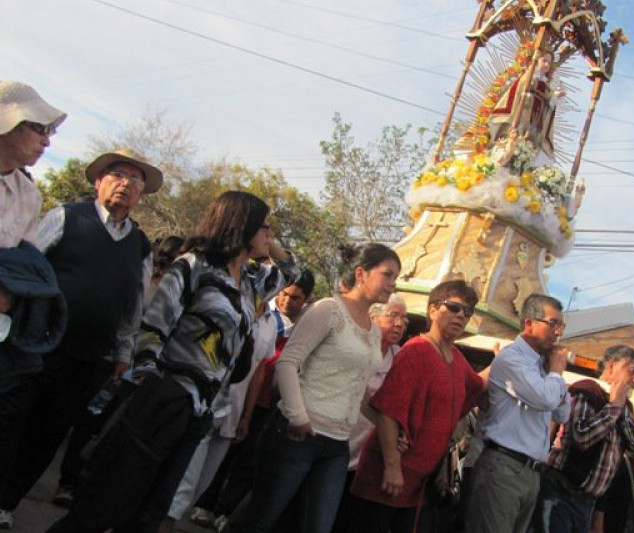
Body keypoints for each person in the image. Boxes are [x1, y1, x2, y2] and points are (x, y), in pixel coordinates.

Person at [46, 190, 297, 533]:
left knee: (150, 511)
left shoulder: (251, 283)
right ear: (243, 225)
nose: (270, 235)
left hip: (200, 410)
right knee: (107, 501)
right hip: (165, 399)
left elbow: (291, 269)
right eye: (264, 226)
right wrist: (153, 390)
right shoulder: (194, 266)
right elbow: (153, 331)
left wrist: (269, 240)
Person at [0, 148, 161, 528]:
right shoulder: (66, 217)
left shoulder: (139, 245)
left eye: (134, 181)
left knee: (48, 434)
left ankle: (6, 503)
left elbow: (132, 305)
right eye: (117, 175)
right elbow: (24, 267)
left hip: (88, 357)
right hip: (35, 345)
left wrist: (123, 353)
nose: (125, 185)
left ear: (141, 195)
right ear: (98, 181)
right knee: (10, 423)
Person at [226, 243, 401, 533]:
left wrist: (389, 429)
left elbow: (357, 392)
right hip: (297, 434)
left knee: (317, 526)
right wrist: (297, 416)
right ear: (361, 273)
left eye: (396, 277)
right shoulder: (328, 310)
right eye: (388, 274)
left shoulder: (372, 331)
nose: (393, 284)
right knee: (261, 519)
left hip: (336, 445)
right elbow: (287, 363)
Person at [160, 254, 301, 532]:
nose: (280, 294)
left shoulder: (272, 323)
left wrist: (247, 416)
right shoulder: (232, 305)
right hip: (204, 402)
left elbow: (258, 370)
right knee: (183, 483)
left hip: (233, 411)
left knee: (201, 483)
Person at [349, 280, 487, 533]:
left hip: (423, 482)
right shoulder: (417, 350)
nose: (461, 315)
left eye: (467, 311)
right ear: (433, 310)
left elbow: (477, 388)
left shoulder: (456, 358)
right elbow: (389, 410)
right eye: (453, 307)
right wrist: (392, 466)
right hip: (391, 475)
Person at [463, 293, 570, 533]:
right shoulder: (513, 359)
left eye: (561, 325)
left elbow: (562, 413)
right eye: (553, 323)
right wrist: (556, 374)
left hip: (531, 472)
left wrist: (553, 378)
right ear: (529, 323)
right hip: (504, 467)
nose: (558, 332)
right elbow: (546, 399)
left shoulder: (544, 365)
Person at [0, 81, 67, 407]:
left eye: (49, 130)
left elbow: (25, 261)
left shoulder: (29, 194)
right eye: (38, 127)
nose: (47, 140)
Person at [537, 345, 634, 533]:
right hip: (560, 492)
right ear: (612, 367)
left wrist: (619, 407)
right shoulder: (586, 391)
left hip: (586, 502)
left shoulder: (624, 407)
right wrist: (613, 407)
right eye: (632, 372)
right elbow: (582, 437)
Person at [331, 294, 408, 533]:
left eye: (404, 319)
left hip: (365, 454)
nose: (400, 323)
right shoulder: (356, 346)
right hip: (335, 438)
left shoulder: (401, 358)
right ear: (373, 317)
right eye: (393, 315)